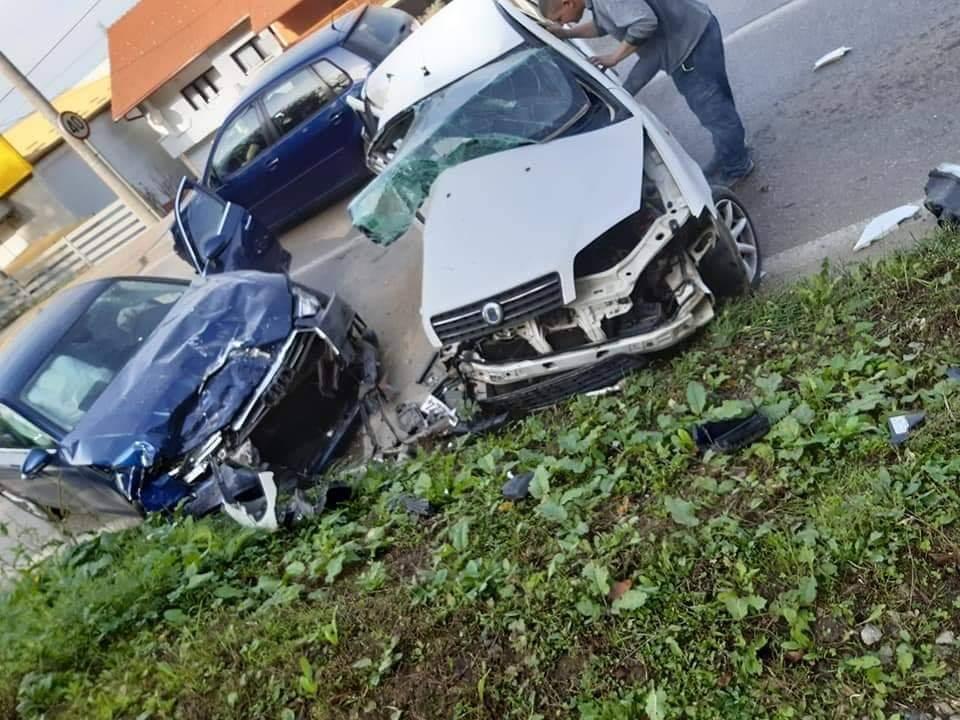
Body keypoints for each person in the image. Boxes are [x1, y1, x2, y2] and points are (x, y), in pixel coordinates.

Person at [539, 0, 753, 187]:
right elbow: (606, 23)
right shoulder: (601, 4)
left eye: (559, 18)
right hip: (694, 31)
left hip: (689, 44)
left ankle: (737, 166)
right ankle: (730, 152)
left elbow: (644, 22)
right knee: (716, 103)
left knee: (713, 110)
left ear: (568, 3)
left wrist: (614, 57)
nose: (562, 22)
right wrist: (567, 34)